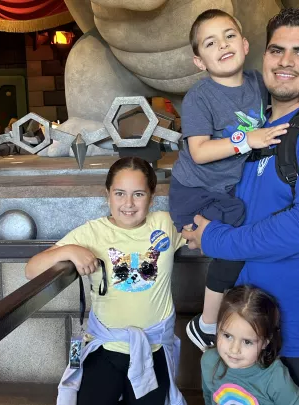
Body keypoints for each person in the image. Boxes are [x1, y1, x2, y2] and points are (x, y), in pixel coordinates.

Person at [183, 8, 299, 405]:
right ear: (263, 57)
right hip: (247, 338)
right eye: (277, 50)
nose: (286, 61)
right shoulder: (254, 126)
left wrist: (215, 238)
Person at [169, 9, 299, 352]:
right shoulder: (199, 97)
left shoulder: (260, 82)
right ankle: (206, 323)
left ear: (245, 45)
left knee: (242, 233)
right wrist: (248, 140)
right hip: (196, 191)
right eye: (210, 43)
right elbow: (199, 151)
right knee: (235, 236)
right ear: (199, 60)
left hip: (226, 189)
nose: (223, 45)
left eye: (229, 36)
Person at [25, 157, 185, 405]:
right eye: (120, 193)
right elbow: (32, 269)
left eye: (139, 194)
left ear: (152, 197)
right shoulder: (91, 232)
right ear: (107, 195)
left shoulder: (166, 223)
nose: (128, 204)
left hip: (152, 352)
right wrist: (68, 251)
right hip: (105, 349)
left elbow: (207, 231)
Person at [201, 285, 299, 405]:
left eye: (247, 342)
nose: (234, 350)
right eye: (227, 336)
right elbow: (208, 397)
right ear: (218, 329)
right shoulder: (209, 361)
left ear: (265, 342)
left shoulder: (275, 377)